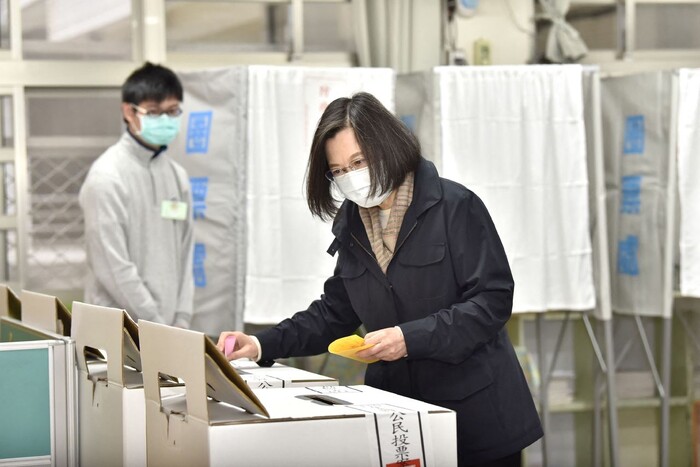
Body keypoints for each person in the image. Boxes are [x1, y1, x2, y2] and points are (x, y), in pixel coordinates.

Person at [217, 92, 542, 466]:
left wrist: (409, 338)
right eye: (338, 170)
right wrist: (259, 344)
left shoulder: (454, 206)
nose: (350, 177)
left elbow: (491, 301)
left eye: (358, 162)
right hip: (397, 416)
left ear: (387, 148)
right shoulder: (353, 224)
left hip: (473, 419)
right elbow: (334, 312)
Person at [79, 62, 194, 328]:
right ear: (129, 112)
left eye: (173, 111)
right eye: (154, 112)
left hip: (170, 329)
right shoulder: (107, 176)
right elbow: (114, 266)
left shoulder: (177, 176)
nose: (165, 120)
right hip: (117, 330)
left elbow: (186, 254)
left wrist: (183, 320)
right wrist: (156, 324)